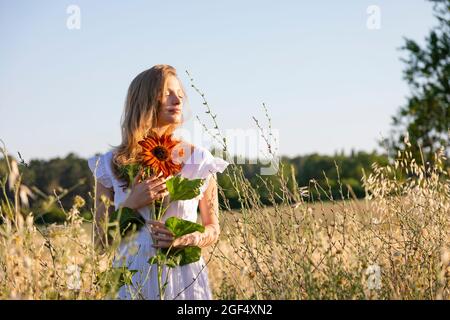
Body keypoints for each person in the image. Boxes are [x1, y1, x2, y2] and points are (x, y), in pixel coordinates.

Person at [87, 64, 229, 300]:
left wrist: (189, 238)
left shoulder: (199, 159)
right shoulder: (110, 165)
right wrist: (131, 204)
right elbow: (99, 241)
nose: (177, 100)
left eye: (180, 95)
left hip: (184, 278)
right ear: (144, 101)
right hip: (132, 277)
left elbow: (213, 228)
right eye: (167, 93)